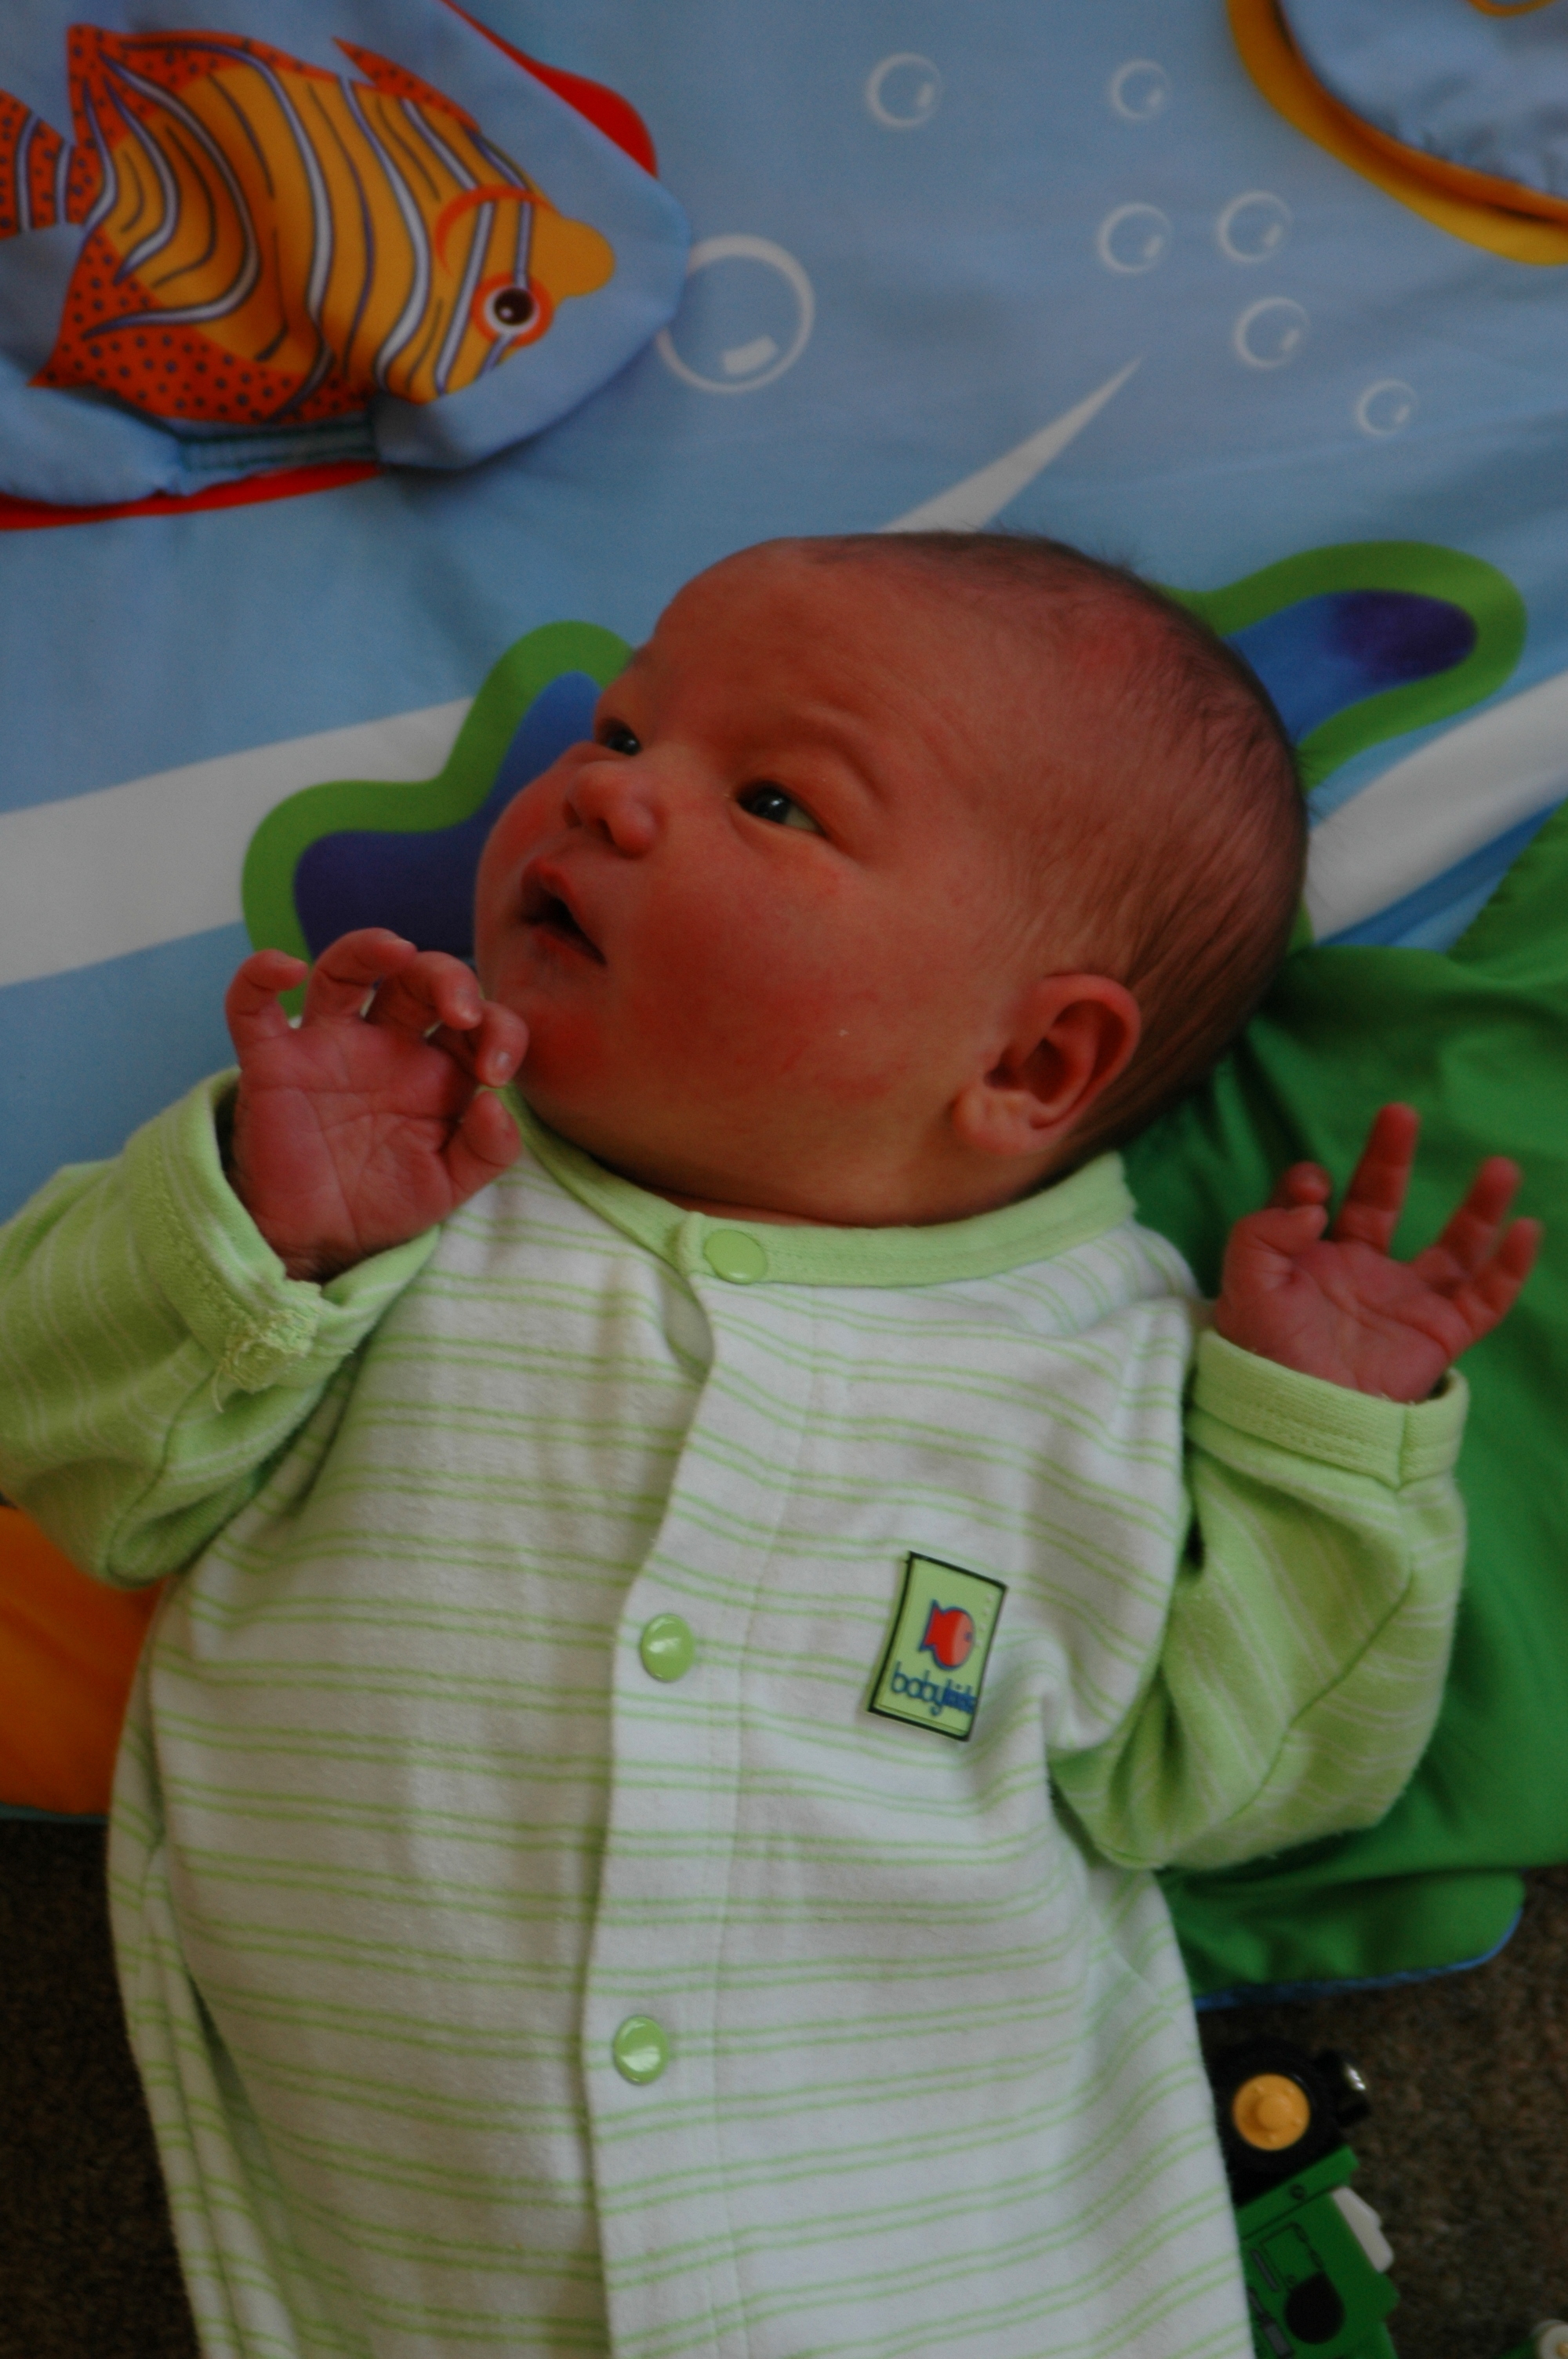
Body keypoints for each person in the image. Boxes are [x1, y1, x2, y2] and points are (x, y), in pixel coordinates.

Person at [0, 534, 1538, 2359]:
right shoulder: (393, 1172)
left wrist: (1320, 1454)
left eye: (776, 799)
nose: (606, 789)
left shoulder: (1105, 1370)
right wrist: (263, 1228)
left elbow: (1238, 1783)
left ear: (1034, 1064)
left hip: (969, 2290)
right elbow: (70, 1446)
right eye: (621, 727)